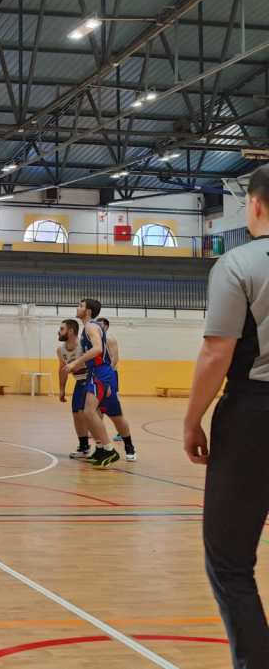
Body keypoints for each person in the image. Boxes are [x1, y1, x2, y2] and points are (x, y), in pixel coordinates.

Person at [184, 163, 269, 669]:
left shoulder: (239, 263)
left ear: (254, 204)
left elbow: (217, 352)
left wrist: (192, 419)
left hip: (254, 415)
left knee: (231, 563)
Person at [64, 298, 121, 468]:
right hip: (95, 372)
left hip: (100, 372)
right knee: (88, 412)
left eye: (80, 306)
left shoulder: (90, 326)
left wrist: (75, 362)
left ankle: (109, 450)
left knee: (89, 412)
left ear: (88, 311)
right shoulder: (88, 327)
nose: (77, 307)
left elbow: (98, 349)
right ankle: (101, 449)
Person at [95, 316, 136, 457]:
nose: (97, 327)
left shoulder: (109, 339)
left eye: (100, 324)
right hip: (98, 375)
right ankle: (98, 433)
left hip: (109, 375)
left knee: (113, 404)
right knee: (96, 405)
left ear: (106, 326)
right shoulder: (95, 340)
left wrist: (107, 375)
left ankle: (123, 435)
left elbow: (115, 358)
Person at [57, 319, 93, 460]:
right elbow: (62, 369)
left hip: (91, 380)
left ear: (71, 331)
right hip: (80, 382)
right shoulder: (60, 350)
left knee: (87, 413)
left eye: (62, 329)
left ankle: (104, 446)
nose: (59, 332)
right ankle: (84, 447)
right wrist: (62, 389)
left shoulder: (83, 345)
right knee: (77, 414)